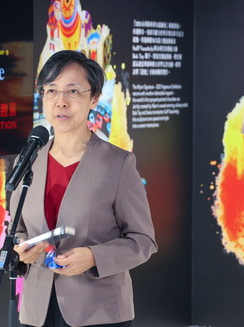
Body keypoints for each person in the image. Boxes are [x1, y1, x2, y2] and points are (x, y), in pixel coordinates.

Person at [9, 50, 157, 327]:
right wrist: (21, 248)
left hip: (99, 312)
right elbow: (17, 230)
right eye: (51, 90)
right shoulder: (28, 160)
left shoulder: (118, 163)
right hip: (37, 310)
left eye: (73, 91)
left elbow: (142, 241)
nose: (60, 101)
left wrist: (93, 257)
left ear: (94, 98)